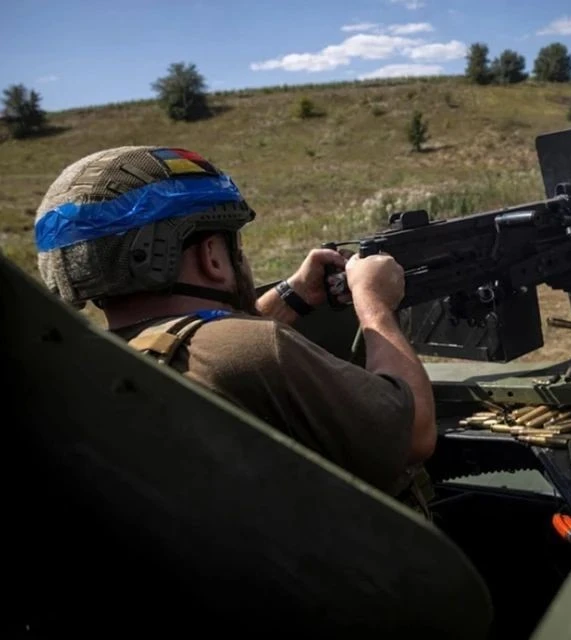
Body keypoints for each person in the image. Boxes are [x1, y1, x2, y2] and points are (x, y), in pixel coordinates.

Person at [33, 145, 437, 508]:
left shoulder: (91, 365)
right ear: (211, 254)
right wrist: (375, 303)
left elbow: (192, 343)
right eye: (233, 243)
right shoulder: (258, 349)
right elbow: (414, 432)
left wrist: (292, 295)